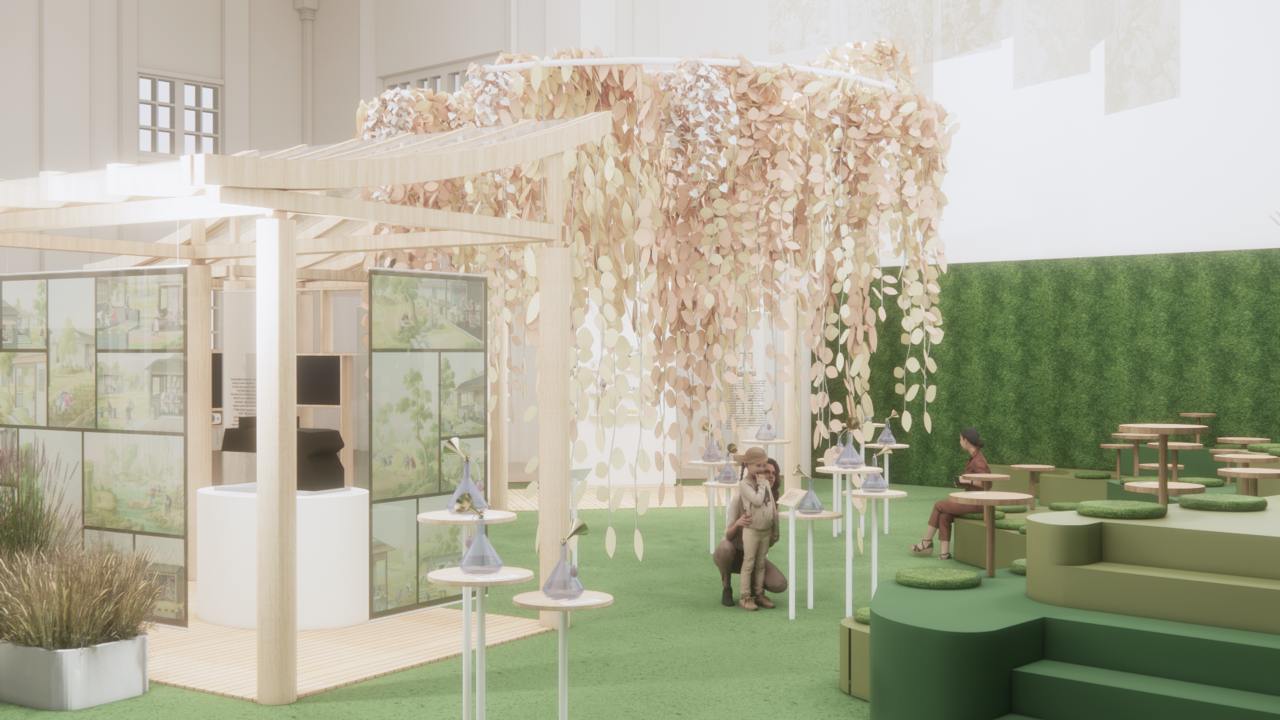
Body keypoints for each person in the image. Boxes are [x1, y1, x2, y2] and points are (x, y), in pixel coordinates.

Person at [713, 457, 788, 608]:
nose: (771, 476)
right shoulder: (740, 498)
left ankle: (757, 592)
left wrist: (770, 533)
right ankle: (727, 587)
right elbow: (727, 535)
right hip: (735, 551)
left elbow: (771, 537)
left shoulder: (771, 499)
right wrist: (738, 524)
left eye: (774, 473)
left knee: (779, 584)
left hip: (756, 550)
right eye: (766, 472)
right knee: (725, 548)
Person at [910, 427, 990, 560]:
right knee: (944, 515)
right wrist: (963, 481)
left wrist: (967, 480)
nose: (960, 442)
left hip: (977, 503)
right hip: (971, 500)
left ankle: (926, 542)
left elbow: (986, 483)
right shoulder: (974, 457)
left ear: (966, 441)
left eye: (960, 439)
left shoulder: (979, 461)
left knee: (939, 505)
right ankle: (944, 554)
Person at [730, 447, 779, 611]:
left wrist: (775, 529)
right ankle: (745, 596)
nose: (762, 469)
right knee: (749, 563)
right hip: (752, 530)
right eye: (758, 465)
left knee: (761, 564)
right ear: (748, 465)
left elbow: (771, 506)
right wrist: (762, 484)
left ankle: (759, 594)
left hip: (765, 530)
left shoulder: (763, 482)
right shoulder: (744, 484)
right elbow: (757, 501)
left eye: (764, 465)